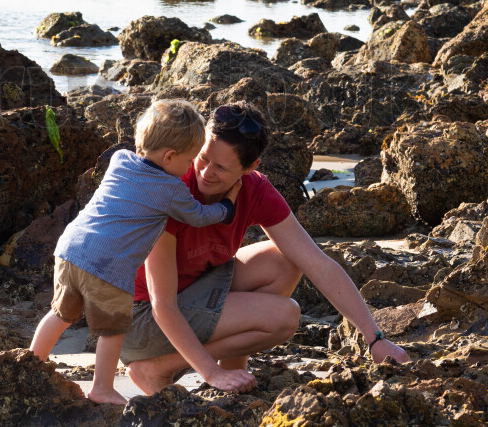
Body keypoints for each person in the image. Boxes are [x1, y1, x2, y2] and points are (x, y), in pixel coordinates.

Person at [121, 101, 411, 395]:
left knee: (285, 261)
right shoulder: (171, 188)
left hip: (192, 291)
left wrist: (375, 338)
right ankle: (157, 369)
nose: (206, 172)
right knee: (282, 318)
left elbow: (318, 264)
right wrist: (210, 372)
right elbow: (162, 305)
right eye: (203, 157)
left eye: (221, 167)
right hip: (138, 319)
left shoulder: (255, 190)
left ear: (250, 168)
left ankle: (234, 368)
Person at [31, 99, 241, 405]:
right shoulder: (170, 189)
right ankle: (101, 388)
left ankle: (31, 364)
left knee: (61, 313)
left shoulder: (120, 159)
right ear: (170, 156)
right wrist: (227, 207)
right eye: (189, 161)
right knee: (113, 328)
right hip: (107, 264)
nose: (189, 169)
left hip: (70, 249)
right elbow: (197, 215)